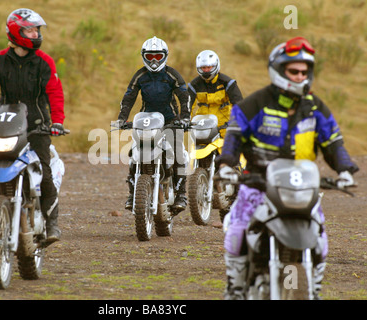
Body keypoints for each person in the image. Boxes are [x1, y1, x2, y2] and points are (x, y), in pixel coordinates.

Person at [216, 37, 359, 299]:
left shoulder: (315, 107)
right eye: (294, 71)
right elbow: (234, 136)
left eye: (304, 72)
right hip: (258, 184)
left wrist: (345, 170)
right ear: (279, 71)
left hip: (302, 188)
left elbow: (333, 142)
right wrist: (226, 164)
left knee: (321, 237)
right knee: (237, 229)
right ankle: (235, 288)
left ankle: (313, 288)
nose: (299, 76)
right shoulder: (256, 103)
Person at [0, 8, 66, 244]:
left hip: (37, 124)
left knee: (45, 173)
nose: (36, 33)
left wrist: (57, 122)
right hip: (5, 122)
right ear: (16, 32)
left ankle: (51, 224)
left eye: (37, 29)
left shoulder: (44, 62)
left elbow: (54, 93)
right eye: (30, 29)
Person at [117, 36, 190, 212]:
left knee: (178, 152)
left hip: (171, 120)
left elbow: (184, 96)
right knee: (134, 152)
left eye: (158, 56)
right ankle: (133, 193)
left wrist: (185, 118)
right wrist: (122, 118)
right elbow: (129, 97)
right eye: (150, 57)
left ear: (165, 56)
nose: (154, 60)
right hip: (146, 119)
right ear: (144, 56)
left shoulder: (172, 74)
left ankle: (181, 194)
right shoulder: (140, 75)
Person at [188, 49, 243, 137]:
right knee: (194, 150)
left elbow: (239, 104)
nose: (206, 70)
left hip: (225, 127)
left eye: (209, 67)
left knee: (233, 149)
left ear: (215, 66)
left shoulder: (227, 83)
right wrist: (185, 120)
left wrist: (237, 120)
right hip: (202, 127)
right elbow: (188, 106)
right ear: (199, 68)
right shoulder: (194, 85)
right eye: (203, 68)